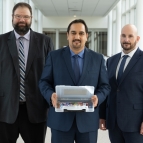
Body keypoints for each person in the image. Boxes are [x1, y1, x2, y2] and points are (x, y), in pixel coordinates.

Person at [39, 19, 110, 143]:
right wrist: (51, 96)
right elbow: (44, 82)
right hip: (61, 122)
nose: (77, 37)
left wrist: (98, 97)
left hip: (87, 122)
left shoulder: (98, 59)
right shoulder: (54, 56)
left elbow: (105, 86)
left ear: (87, 36)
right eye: (73, 33)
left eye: (81, 33)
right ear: (67, 35)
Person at [0, 2, 53, 143]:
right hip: (6, 109)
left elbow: (51, 74)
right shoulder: (1, 41)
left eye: (25, 16)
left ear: (31, 18)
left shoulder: (45, 42)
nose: (22, 20)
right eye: (18, 16)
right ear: (12, 17)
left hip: (36, 110)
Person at [99, 24, 143, 143]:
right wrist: (102, 115)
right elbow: (106, 88)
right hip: (113, 122)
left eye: (130, 36)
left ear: (137, 38)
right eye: (123, 36)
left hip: (136, 124)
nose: (126, 40)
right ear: (120, 37)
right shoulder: (111, 61)